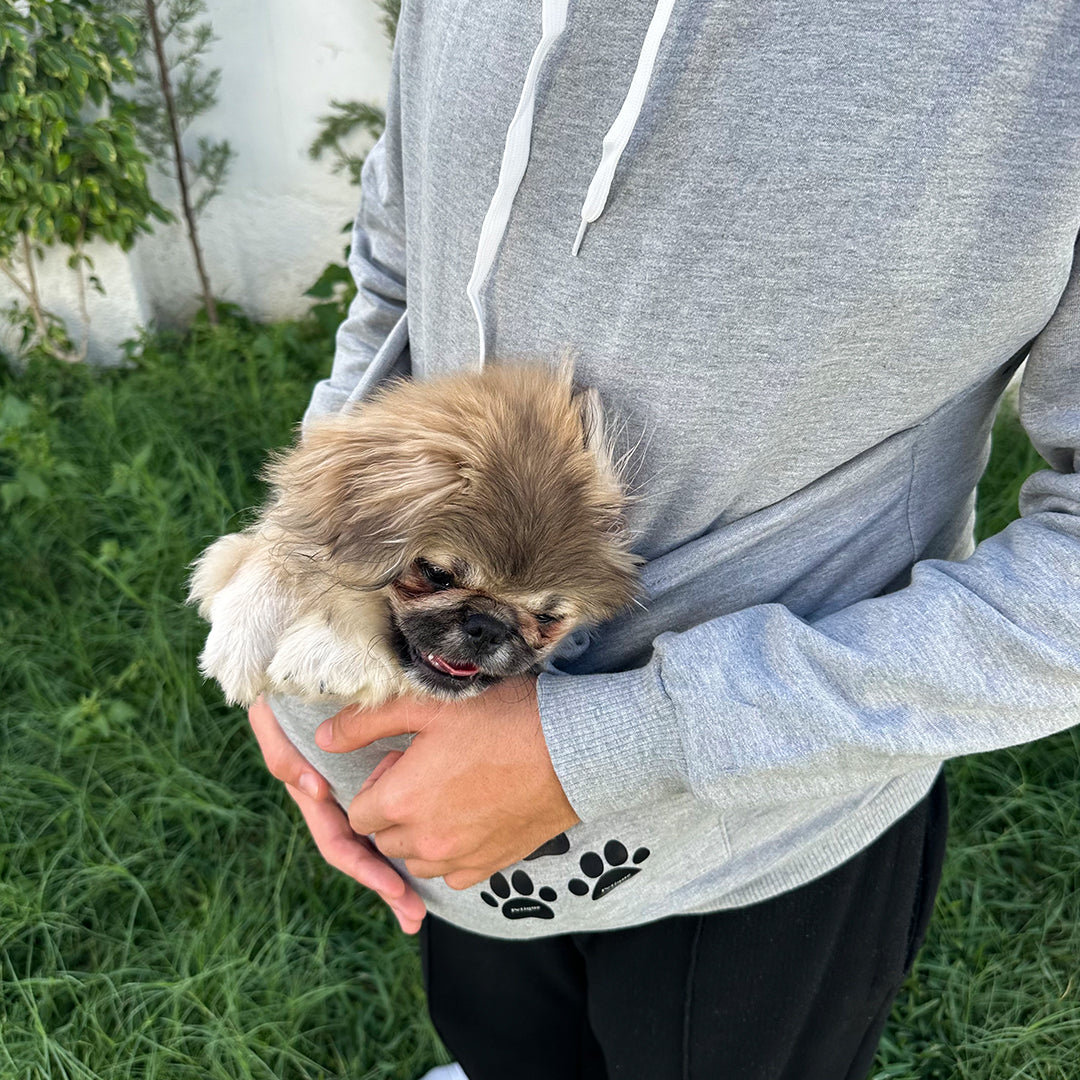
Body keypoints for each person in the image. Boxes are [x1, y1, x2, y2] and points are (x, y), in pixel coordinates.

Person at [248, 2, 1080, 1077]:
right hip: (431, 789)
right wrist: (291, 596)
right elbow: (399, 285)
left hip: (766, 835)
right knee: (501, 1052)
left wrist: (615, 740)